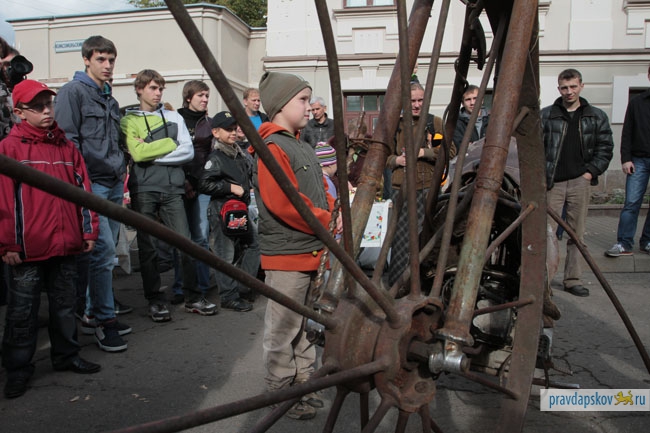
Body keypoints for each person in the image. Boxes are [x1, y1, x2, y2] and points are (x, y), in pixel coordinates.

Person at [1, 80, 102, 398]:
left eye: (49, 104)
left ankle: (66, 355)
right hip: (26, 248)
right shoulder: (8, 150)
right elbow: (3, 202)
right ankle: (18, 369)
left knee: (65, 306)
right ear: (19, 112)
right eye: (38, 106)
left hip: (66, 242)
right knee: (22, 311)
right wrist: (7, 243)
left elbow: (84, 192)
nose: (47, 111)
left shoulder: (67, 148)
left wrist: (88, 230)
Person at [251, 71, 339, 420]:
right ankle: (280, 390)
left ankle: (303, 383)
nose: (309, 106)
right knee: (283, 327)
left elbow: (317, 192)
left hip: (311, 250)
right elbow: (285, 203)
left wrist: (333, 212)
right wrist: (326, 220)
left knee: (305, 326)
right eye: (302, 99)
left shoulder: (301, 144)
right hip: (287, 255)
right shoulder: (272, 148)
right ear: (280, 104)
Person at [54, 35, 132, 353]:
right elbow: (68, 142)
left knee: (105, 254)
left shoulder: (109, 98)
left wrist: (122, 170)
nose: (108, 65)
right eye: (101, 59)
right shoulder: (72, 92)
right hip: (92, 185)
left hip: (113, 182)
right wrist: (80, 184)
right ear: (86, 59)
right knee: (103, 253)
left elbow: (113, 141)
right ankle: (104, 320)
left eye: (111, 59)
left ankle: (92, 311)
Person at [120, 69, 204, 321]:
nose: (158, 93)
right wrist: (169, 144)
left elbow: (187, 152)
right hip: (144, 188)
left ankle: (192, 296)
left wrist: (150, 152)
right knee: (148, 248)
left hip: (173, 189)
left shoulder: (173, 116)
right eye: (152, 88)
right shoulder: (128, 119)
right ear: (139, 89)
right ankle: (155, 300)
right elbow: (137, 154)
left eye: (160, 88)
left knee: (185, 243)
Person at [542, 68, 613, 297]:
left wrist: (590, 173)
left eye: (573, 86)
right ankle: (544, 281)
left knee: (577, 235)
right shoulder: (547, 115)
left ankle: (572, 279)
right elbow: (536, 149)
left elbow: (605, 148)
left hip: (579, 181)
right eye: (564, 88)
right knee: (546, 235)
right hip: (553, 183)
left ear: (581, 86)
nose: (569, 91)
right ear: (559, 89)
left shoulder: (595, 116)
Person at [386, 82, 454, 286]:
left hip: (427, 189)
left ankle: (424, 282)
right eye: (412, 101)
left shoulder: (435, 123)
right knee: (400, 239)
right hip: (401, 189)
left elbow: (450, 152)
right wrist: (396, 160)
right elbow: (384, 156)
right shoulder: (396, 125)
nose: (416, 105)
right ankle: (398, 285)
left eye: (420, 100)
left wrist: (424, 152)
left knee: (426, 237)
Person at [199, 111, 259, 312]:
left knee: (253, 245)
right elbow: (204, 183)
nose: (233, 132)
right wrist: (229, 187)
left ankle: (242, 287)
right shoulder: (216, 157)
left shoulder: (238, 152)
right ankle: (229, 296)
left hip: (239, 210)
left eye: (234, 128)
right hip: (222, 210)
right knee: (225, 255)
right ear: (216, 132)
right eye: (228, 129)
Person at [168, 80, 215, 313]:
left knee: (201, 236)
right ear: (188, 97)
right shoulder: (174, 119)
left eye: (207, 96)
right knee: (181, 239)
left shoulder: (209, 123)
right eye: (201, 95)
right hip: (178, 183)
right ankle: (181, 286)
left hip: (202, 185)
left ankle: (202, 286)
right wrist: (184, 180)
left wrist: (200, 180)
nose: (205, 99)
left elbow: (210, 154)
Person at [605, 66, 650, 258]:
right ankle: (624, 243)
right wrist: (626, 159)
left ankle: (647, 241)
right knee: (631, 202)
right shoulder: (637, 102)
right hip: (638, 160)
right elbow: (627, 132)